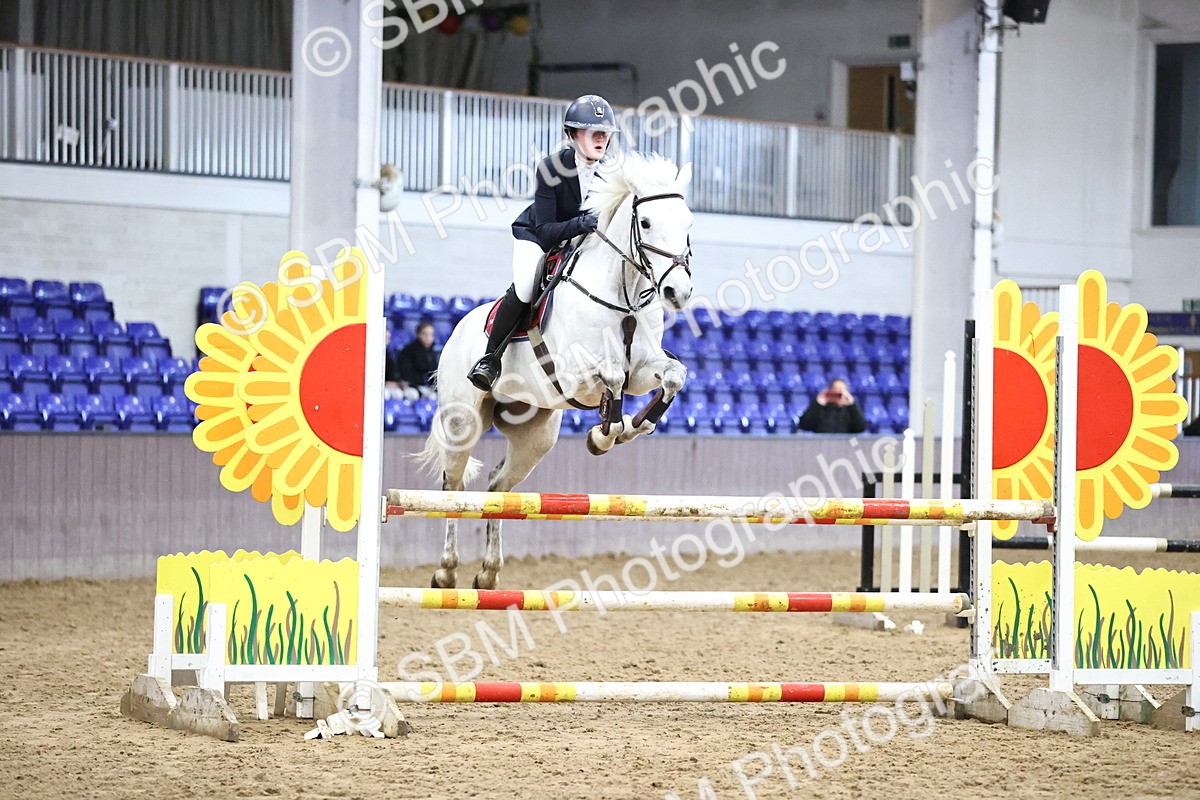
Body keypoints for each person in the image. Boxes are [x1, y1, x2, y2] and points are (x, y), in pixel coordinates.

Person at [466, 94, 619, 391]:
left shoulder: (611, 174)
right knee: (526, 286)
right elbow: (547, 230)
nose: (601, 139)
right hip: (537, 236)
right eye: (593, 133)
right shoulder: (551, 168)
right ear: (573, 135)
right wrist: (580, 224)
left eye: (605, 133)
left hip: (581, 243)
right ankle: (490, 359)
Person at [386, 320, 439, 401]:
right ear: (418, 334)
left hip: (426, 387)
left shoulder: (432, 353)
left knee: (437, 396)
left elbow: (433, 374)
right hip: (411, 386)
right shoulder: (408, 351)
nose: (428, 337)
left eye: (431, 334)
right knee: (411, 394)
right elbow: (405, 374)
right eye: (425, 334)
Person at [797, 378, 867, 434]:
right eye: (835, 389)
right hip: (821, 447)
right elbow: (804, 425)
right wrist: (817, 404)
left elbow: (860, 428)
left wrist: (852, 404)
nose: (838, 393)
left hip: (843, 447)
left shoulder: (849, 411)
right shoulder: (820, 408)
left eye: (842, 390)